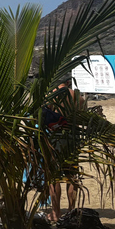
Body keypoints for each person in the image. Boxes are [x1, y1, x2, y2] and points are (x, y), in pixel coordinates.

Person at [46, 77, 84, 221]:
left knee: (54, 177)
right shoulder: (78, 97)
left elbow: (43, 117)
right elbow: (83, 118)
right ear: (68, 83)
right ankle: (71, 211)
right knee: (72, 176)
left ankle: (56, 213)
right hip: (73, 137)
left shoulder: (50, 97)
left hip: (55, 138)